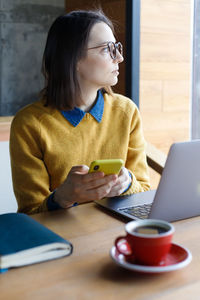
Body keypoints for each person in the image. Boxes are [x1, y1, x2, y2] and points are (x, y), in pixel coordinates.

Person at [10, 10, 150, 215]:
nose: (119, 57)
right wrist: (62, 198)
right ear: (73, 58)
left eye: (117, 48)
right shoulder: (29, 124)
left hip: (116, 231)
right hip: (63, 240)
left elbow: (145, 190)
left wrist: (128, 184)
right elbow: (30, 212)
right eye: (107, 49)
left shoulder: (126, 111)